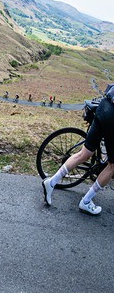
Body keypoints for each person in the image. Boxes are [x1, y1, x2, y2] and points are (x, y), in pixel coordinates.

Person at [41, 87, 114, 215]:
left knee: (84, 153)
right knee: (112, 166)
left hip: (104, 106)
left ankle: (51, 182)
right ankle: (86, 202)